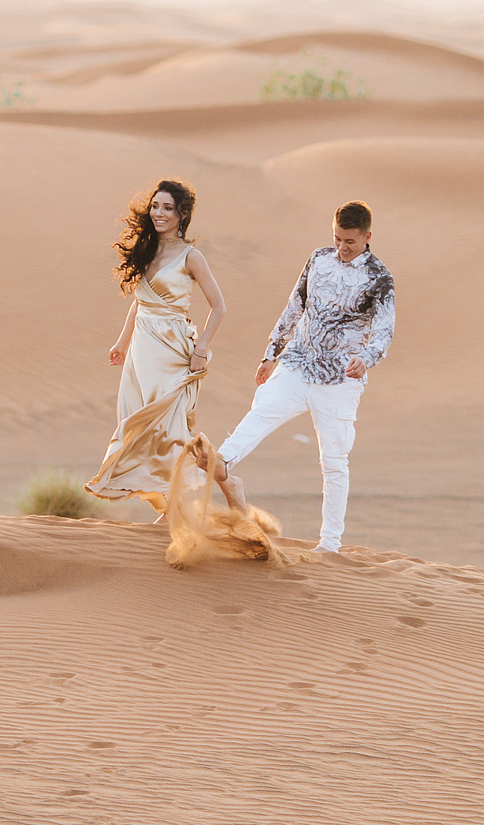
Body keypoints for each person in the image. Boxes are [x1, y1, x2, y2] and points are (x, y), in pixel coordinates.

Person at [211, 201, 395, 553]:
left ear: (367, 237)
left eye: (350, 241)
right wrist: (270, 354)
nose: (342, 247)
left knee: (334, 462)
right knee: (261, 413)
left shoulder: (379, 278)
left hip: (339, 379)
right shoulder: (318, 259)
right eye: (337, 238)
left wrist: (366, 359)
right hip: (297, 363)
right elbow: (295, 305)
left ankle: (330, 545)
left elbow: (385, 330)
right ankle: (221, 462)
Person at [84, 179, 235, 516]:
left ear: (182, 215)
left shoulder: (191, 256)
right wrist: (122, 342)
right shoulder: (147, 250)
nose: (159, 213)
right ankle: (175, 505)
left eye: (168, 208)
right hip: (142, 351)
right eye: (155, 206)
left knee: (170, 430)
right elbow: (141, 301)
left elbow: (219, 307)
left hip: (172, 350)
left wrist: (201, 350)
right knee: (141, 427)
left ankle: (218, 486)